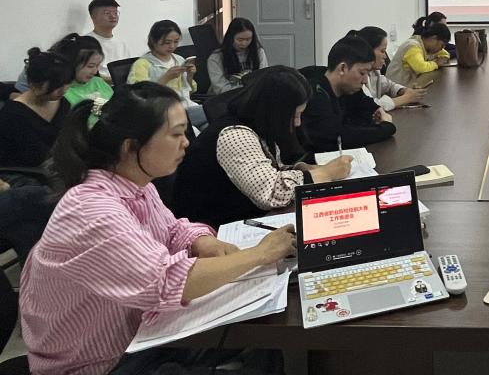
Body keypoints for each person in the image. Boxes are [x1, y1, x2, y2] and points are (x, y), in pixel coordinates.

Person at [18, 82, 295, 375]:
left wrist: (201, 241)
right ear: (131, 147)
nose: (186, 142)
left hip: (142, 334)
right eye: (176, 134)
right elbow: (163, 282)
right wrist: (260, 254)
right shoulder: (92, 210)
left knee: (263, 345)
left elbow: (172, 229)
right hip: (100, 364)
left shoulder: (135, 184)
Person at [173, 66, 353, 228]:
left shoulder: (259, 125)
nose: (298, 123)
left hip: (241, 212)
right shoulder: (235, 135)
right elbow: (270, 193)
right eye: (294, 115)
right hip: (213, 228)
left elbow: (268, 169)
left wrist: (300, 169)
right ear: (275, 112)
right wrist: (325, 174)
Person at [300, 36, 396, 152]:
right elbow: (336, 137)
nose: (365, 81)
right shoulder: (314, 93)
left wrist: (378, 109)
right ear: (343, 68)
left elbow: (367, 106)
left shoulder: (348, 88)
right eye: (362, 73)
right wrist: (386, 128)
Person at [0, 48, 73, 167]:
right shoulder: (13, 114)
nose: (63, 91)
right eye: (57, 85)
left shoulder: (63, 104)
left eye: (67, 83)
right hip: (24, 171)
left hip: (53, 165)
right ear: (34, 84)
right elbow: (34, 155)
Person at [128, 20, 206, 130]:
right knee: (212, 111)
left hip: (184, 106)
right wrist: (166, 78)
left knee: (209, 126)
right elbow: (138, 96)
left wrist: (190, 75)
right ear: (153, 41)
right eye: (167, 42)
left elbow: (188, 92)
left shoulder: (179, 59)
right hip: (161, 112)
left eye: (176, 41)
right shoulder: (142, 64)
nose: (172, 46)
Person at [350, 26, 428, 111]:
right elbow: (371, 106)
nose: (385, 56)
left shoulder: (374, 71)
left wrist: (405, 90)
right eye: (382, 51)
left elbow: (388, 85)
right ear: (368, 50)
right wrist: (407, 98)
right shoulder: (356, 77)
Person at [207, 17, 269, 95]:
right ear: (231, 38)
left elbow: (263, 77)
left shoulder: (258, 52)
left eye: (248, 39)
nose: (244, 43)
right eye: (240, 40)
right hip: (225, 96)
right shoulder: (216, 57)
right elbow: (220, 88)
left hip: (251, 94)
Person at [54, 34, 113, 107]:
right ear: (72, 64)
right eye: (90, 66)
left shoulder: (98, 82)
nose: (95, 72)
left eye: (97, 66)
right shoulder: (61, 94)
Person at [386, 22, 452, 86]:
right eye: (441, 45)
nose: (441, 49)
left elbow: (445, 54)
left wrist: (443, 58)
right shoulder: (413, 46)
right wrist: (436, 63)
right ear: (434, 38)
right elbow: (420, 67)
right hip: (395, 88)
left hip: (407, 85)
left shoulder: (425, 45)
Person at [86, 0, 132, 81]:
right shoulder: (86, 42)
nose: (113, 16)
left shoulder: (121, 44)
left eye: (115, 12)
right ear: (93, 17)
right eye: (107, 13)